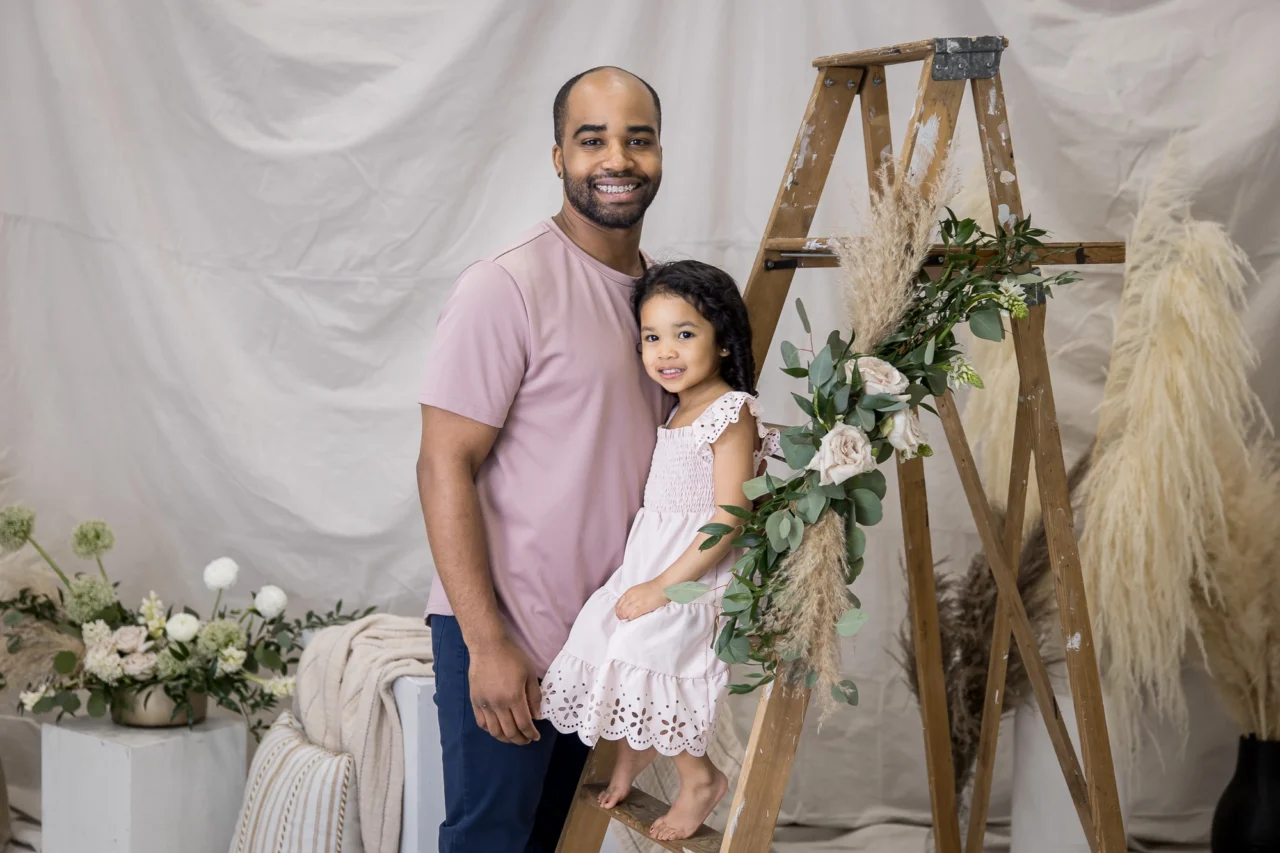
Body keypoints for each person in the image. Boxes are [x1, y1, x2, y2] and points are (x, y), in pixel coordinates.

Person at [416, 66, 667, 852]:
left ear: (660, 152)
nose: (616, 159)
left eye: (637, 138)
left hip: (598, 649)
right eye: (591, 139)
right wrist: (488, 644)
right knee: (489, 839)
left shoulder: (665, 305)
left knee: (557, 843)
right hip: (509, 633)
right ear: (557, 156)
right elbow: (441, 465)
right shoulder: (508, 283)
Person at [540, 260, 780, 842]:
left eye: (685, 333)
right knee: (599, 635)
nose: (665, 350)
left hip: (695, 574)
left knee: (649, 646)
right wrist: (642, 581)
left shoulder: (730, 411)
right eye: (652, 337)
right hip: (652, 560)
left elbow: (731, 515)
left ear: (723, 342)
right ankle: (634, 752)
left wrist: (663, 588)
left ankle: (700, 779)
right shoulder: (677, 410)